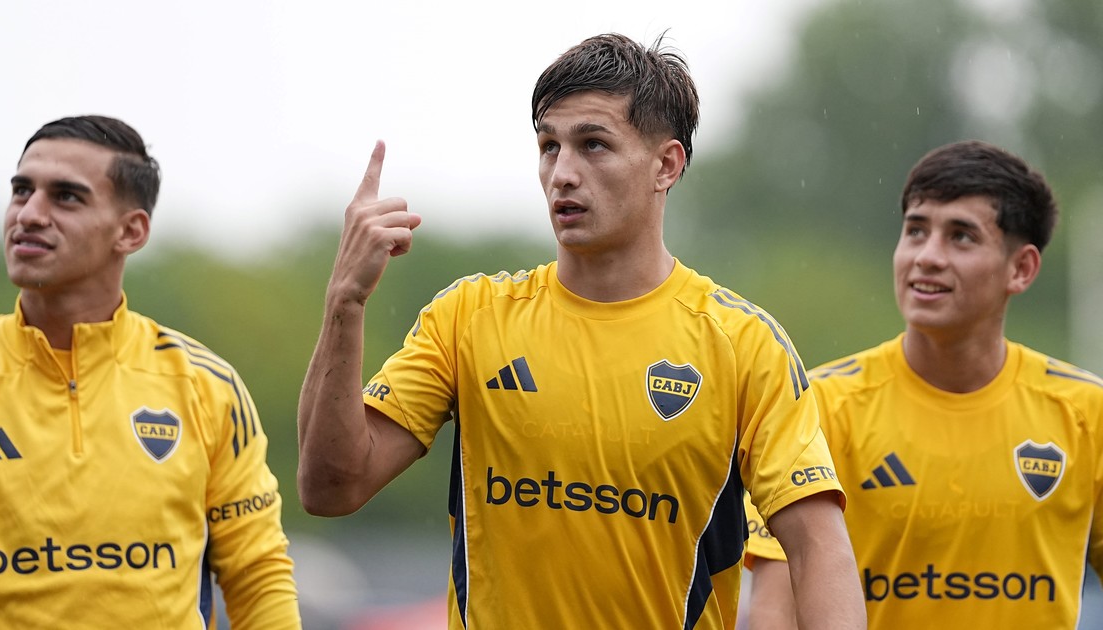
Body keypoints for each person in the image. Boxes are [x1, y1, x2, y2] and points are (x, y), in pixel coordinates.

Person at [296, 33, 865, 629]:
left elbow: (817, 547)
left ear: (666, 165)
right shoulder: (468, 317)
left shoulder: (744, 345)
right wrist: (345, 301)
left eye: (594, 145)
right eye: (549, 146)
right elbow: (330, 487)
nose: (562, 173)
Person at [0, 115, 302, 628]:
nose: (30, 214)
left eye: (66, 197)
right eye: (21, 191)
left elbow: (257, 573)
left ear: (131, 231)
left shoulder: (205, 385)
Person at [742, 140, 1103, 628]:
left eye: (961, 237)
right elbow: (774, 609)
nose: (927, 257)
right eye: (916, 231)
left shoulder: (1085, 413)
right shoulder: (819, 405)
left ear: (1021, 269)